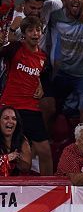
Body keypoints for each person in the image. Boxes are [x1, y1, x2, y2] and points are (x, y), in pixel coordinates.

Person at [0, 16, 51, 175]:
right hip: (10, 107)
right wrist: (7, 34)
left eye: (38, 30)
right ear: (24, 33)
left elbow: (44, 79)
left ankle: (50, 190)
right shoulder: (15, 48)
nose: (35, 33)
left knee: (45, 151)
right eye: (30, 30)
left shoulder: (43, 57)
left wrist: (42, 87)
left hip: (31, 108)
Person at [0, 107, 32, 177]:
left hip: (16, 184)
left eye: (14, 119)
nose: (10, 121)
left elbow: (26, 168)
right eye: (6, 118)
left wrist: (17, 160)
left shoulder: (22, 139)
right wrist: (6, 158)